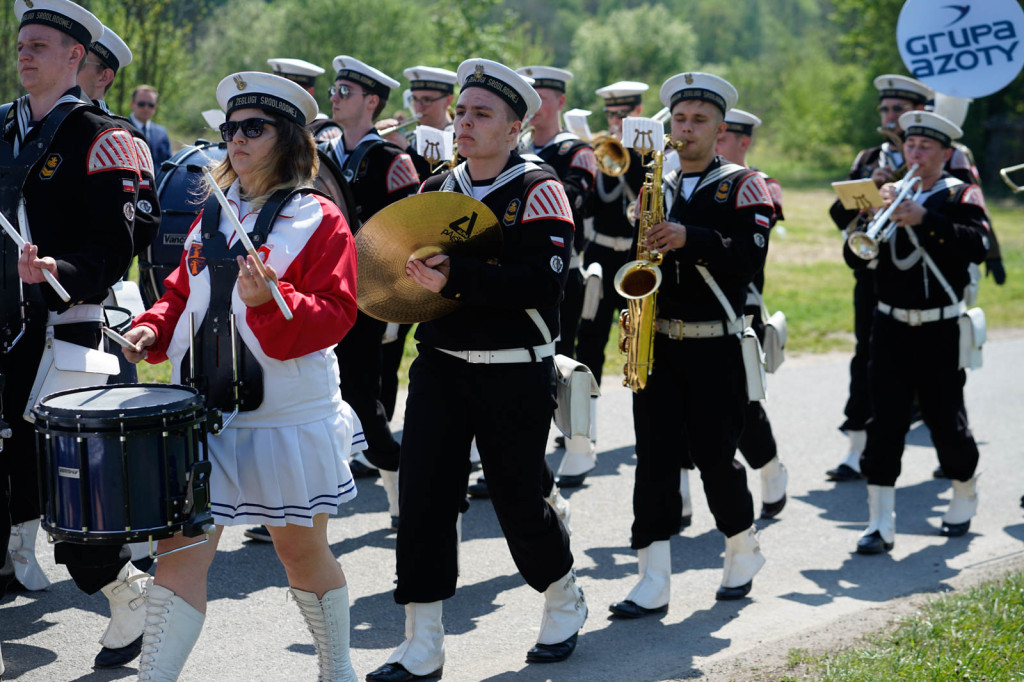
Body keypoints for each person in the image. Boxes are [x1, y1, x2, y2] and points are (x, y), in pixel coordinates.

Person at [121, 71, 362, 680]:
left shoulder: (320, 219)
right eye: (230, 129)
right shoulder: (212, 215)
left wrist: (268, 299)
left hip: (285, 415)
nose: (236, 139)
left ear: (287, 138)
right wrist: (151, 327)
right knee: (177, 552)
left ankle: (337, 670)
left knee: (299, 552)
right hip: (204, 410)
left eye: (253, 128)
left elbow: (336, 315)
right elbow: (181, 295)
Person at [365, 58, 587, 682]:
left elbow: (543, 283)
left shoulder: (538, 187)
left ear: (516, 126)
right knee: (425, 499)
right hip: (439, 366)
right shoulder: (438, 186)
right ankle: (422, 640)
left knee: (519, 501)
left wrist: (455, 275)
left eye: (481, 114)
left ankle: (564, 595)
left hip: (514, 370)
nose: (463, 123)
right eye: (461, 111)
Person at [609, 73, 773, 620]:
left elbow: (747, 255)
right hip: (657, 341)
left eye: (699, 121)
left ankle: (742, 545)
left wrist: (689, 237)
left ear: (720, 129)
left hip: (715, 344)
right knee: (653, 460)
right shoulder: (661, 182)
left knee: (714, 457)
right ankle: (652, 578)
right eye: (679, 120)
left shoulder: (743, 184)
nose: (686, 129)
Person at [2, 0, 136, 608]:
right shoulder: (3, 128)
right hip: (5, 324)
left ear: (75, 56)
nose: (23, 53)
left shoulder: (104, 138)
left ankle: (129, 595)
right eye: (20, 42)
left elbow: (115, 248)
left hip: (64, 328)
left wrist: (63, 270)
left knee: (71, 490)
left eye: (38, 45)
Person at [67, 21, 166, 669]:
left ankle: (127, 570)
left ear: (102, 74)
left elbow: (140, 228)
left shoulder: (113, 139)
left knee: (83, 469)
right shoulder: (21, 129)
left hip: (78, 311)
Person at [847, 111, 988, 555]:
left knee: (946, 420)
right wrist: (870, 211)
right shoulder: (885, 194)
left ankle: (964, 489)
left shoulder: (961, 193)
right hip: (889, 325)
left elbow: (978, 245)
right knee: (883, 422)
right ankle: (879, 522)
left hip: (940, 327)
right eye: (910, 145)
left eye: (926, 148)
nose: (915, 154)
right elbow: (855, 257)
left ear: (946, 154)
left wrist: (926, 218)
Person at [707, 107, 788, 521]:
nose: (713, 146)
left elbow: (757, 233)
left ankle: (770, 467)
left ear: (742, 141)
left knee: (741, 401)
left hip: (741, 308)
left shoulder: (759, 183)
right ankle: (682, 499)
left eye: (722, 139)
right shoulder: (689, 179)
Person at [572, 80, 648, 466]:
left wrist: (630, 158)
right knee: (590, 341)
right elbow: (586, 203)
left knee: (638, 346)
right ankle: (586, 428)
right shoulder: (598, 150)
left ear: (638, 112)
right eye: (612, 114)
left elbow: (647, 199)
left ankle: (649, 426)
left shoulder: (650, 153)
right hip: (601, 255)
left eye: (624, 113)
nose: (616, 120)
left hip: (635, 261)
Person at [129, 84, 172, 170]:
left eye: (151, 105)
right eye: (141, 104)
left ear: (155, 107)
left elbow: (169, 164)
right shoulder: (122, 129)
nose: (146, 108)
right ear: (132, 104)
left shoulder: (161, 132)